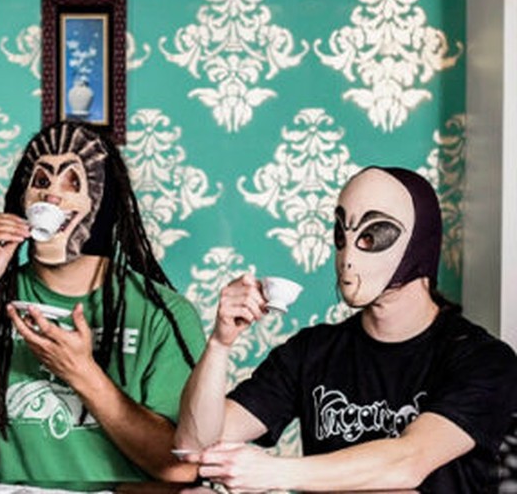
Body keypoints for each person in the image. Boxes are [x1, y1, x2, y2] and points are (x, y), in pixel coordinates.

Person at [175, 166, 517, 492]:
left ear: (419, 243)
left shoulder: (484, 359)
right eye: (342, 235)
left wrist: (274, 471)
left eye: (371, 236)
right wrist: (220, 343)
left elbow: (409, 461)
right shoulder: (312, 351)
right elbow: (194, 445)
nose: (347, 256)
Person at [0, 121, 205, 490]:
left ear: (103, 202)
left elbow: (179, 469)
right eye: (41, 181)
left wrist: (83, 374)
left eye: (72, 182)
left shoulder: (164, 315)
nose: (51, 196)